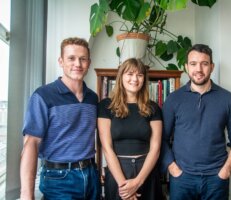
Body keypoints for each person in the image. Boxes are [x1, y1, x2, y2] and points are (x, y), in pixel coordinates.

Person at [161, 44, 231, 200]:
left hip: (216, 179)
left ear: (212, 67)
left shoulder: (228, 99)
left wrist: (225, 171)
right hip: (182, 179)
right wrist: (173, 169)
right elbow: (162, 139)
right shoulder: (174, 99)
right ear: (187, 67)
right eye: (193, 64)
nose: (198, 69)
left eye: (204, 63)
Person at [20, 37, 101, 199]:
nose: (77, 64)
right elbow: (31, 144)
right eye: (71, 58)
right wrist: (26, 194)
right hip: (58, 178)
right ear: (61, 61)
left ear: (89, 63)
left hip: (91, 174)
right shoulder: (43, 95)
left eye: (82, 59)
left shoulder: (93, 98)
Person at [98, 58, 163, 200]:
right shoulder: (105, 106)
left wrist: (138, 181)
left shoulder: (153, 108)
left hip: (146, 172)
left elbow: (156, 148)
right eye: (130, 74)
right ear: (121, 76)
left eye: (139, 75)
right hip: (117, 173)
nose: (135, 79)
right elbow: (107, 148)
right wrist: (124, 187)